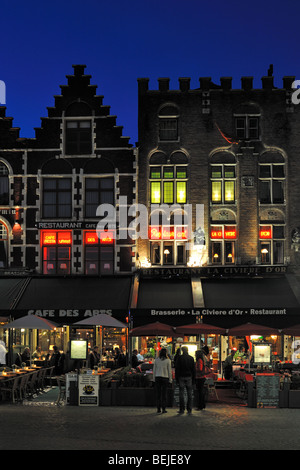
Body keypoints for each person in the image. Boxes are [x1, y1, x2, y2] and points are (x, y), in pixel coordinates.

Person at [175, 346, 195, 414]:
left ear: (182, 351)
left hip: (181, 377)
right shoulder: (191, 358)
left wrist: (176, 378)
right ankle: (189, 409)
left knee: (181, 393)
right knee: (189, 393)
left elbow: (177, 369)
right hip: (189, 377)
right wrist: (194, 379)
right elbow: (193, 370)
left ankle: (182, 409)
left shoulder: (180, 358)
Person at [153, 348, 172, 413]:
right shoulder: (168, 361)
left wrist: (153, 379)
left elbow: (154, 370)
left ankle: (158, 408)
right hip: (165, 378)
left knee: (158, 394)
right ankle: (163, 408)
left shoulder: (156, 360)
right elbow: (169, 371)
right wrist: (170, 379)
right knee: (164, 394)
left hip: (157, 377)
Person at [195, 346, 211, 410]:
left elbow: (200, 369)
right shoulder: (202, 359)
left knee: (200, 392)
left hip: (200, 377)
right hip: (201, 377)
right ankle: (202, 405)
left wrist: (194, 368)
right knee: (201, 391)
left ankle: (200, 405)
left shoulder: (199, 360)